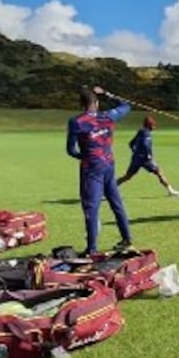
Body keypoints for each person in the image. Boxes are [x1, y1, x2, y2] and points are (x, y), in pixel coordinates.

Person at [66, 86, 133, 255]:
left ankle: (92, 248)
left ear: (82, 104)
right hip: (109, 164)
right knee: (116, 203)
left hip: (91, 168)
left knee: (92, 207)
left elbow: (71, 150)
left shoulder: (77, 122)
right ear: (96, 102)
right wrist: (108, 94)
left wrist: (85, 156)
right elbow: (126, 106)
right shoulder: (108, 116)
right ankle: (127, 239)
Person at [117, 116, 179, 197]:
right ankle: (171, 191)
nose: (154, 127)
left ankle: (108, 190)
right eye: (153, 125)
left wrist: (135, 152)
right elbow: (146, 144)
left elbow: (130, 144)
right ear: (150, 125)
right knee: (159, 173)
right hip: (145, 159)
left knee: (127, 176)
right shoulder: (146, 133)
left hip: (136, 159)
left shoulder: (140, 131)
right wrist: (148, 156)